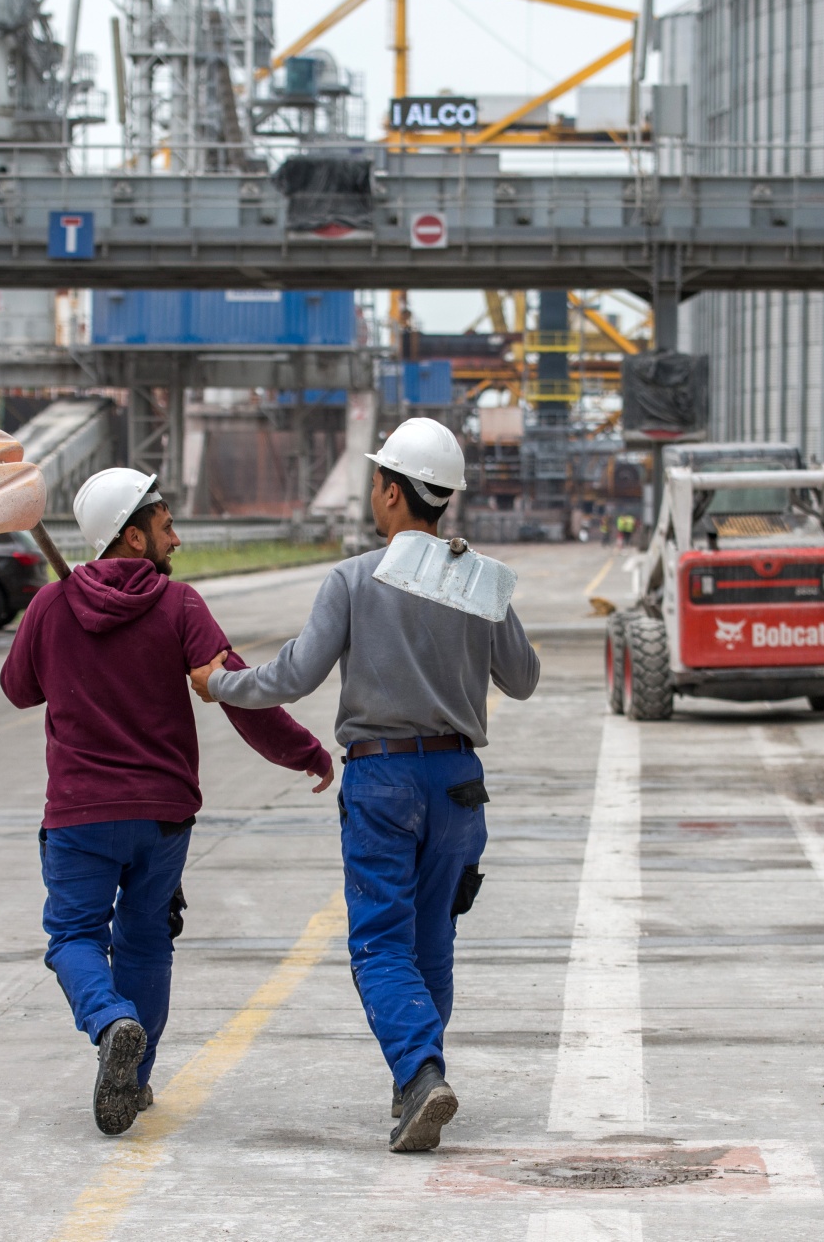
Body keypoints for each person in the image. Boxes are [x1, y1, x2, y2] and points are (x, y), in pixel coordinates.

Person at [190, 417, 540, 1153]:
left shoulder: (354, 579)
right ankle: (418, 1076)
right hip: (459, 783)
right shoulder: (476, 578)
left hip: (383, 777)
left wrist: (220, 684)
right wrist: (485, 599)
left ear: (389, 492)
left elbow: (294, 675)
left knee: (381, 943)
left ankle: (419, 1072)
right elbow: (524, 678)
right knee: (432, 937)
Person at [0, 467, 334, 1137]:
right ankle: (135, 1075)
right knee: (147, 939)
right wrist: (303, 751)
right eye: (166, 526)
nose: (176, 538)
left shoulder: (52, 604)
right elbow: (237, 691)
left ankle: (109, 1023)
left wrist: (53, 625)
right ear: (131, 536)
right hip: (162, 815)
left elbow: (18, 688)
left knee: (74, 938)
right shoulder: (179, 604)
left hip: (80, 813)